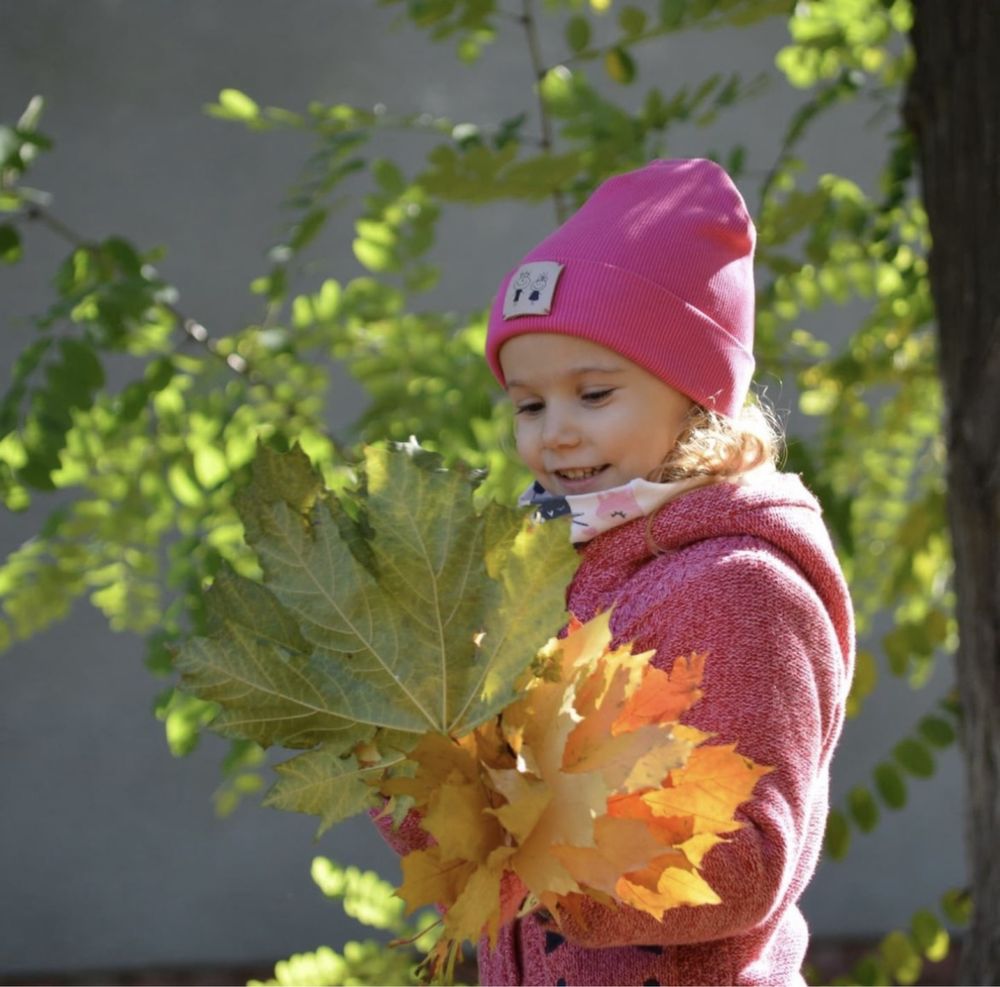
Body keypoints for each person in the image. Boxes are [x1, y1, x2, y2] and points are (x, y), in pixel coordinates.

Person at [386, 158, 855, 986]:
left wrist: (552, 859)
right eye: (529, 405)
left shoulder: (743, 586)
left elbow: (748, 860)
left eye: (593, 394)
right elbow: (476, 849)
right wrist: (403, 753)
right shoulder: (535, 575)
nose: (554, 433)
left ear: (694, 392)